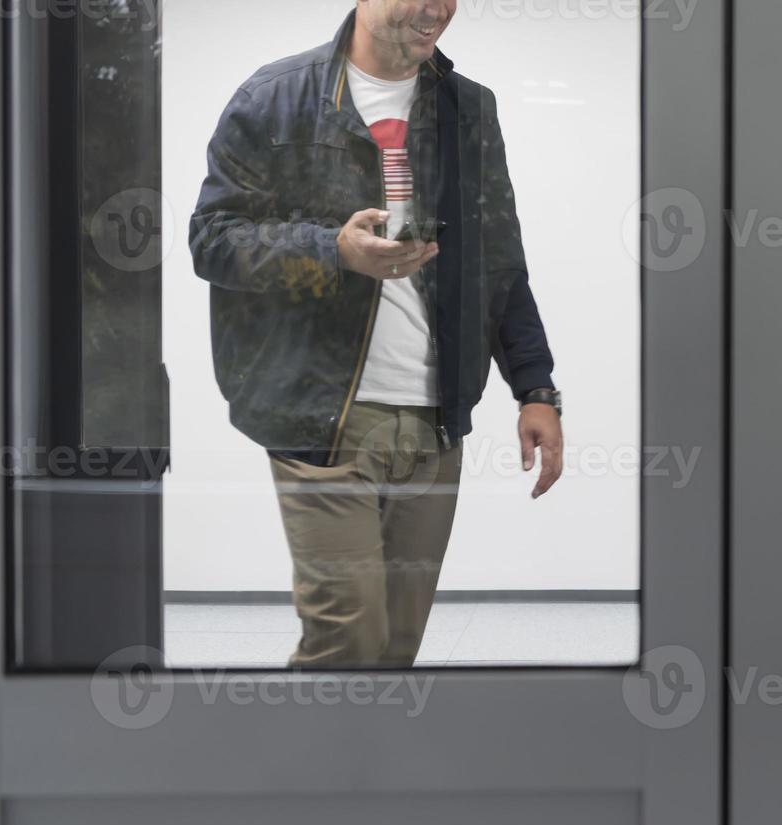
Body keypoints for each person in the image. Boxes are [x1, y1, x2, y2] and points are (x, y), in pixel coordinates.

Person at [190, 0, 564, 669]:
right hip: (320, 418)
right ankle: (301, 773)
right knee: (347, 640)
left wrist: (535, 387)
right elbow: (212, 242)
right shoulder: (273, 98)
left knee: (395, 647)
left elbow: (499, 258)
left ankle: (367, 774)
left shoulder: (467, 108)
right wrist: (332, 250)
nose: (438, 8)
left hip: (435, 423)